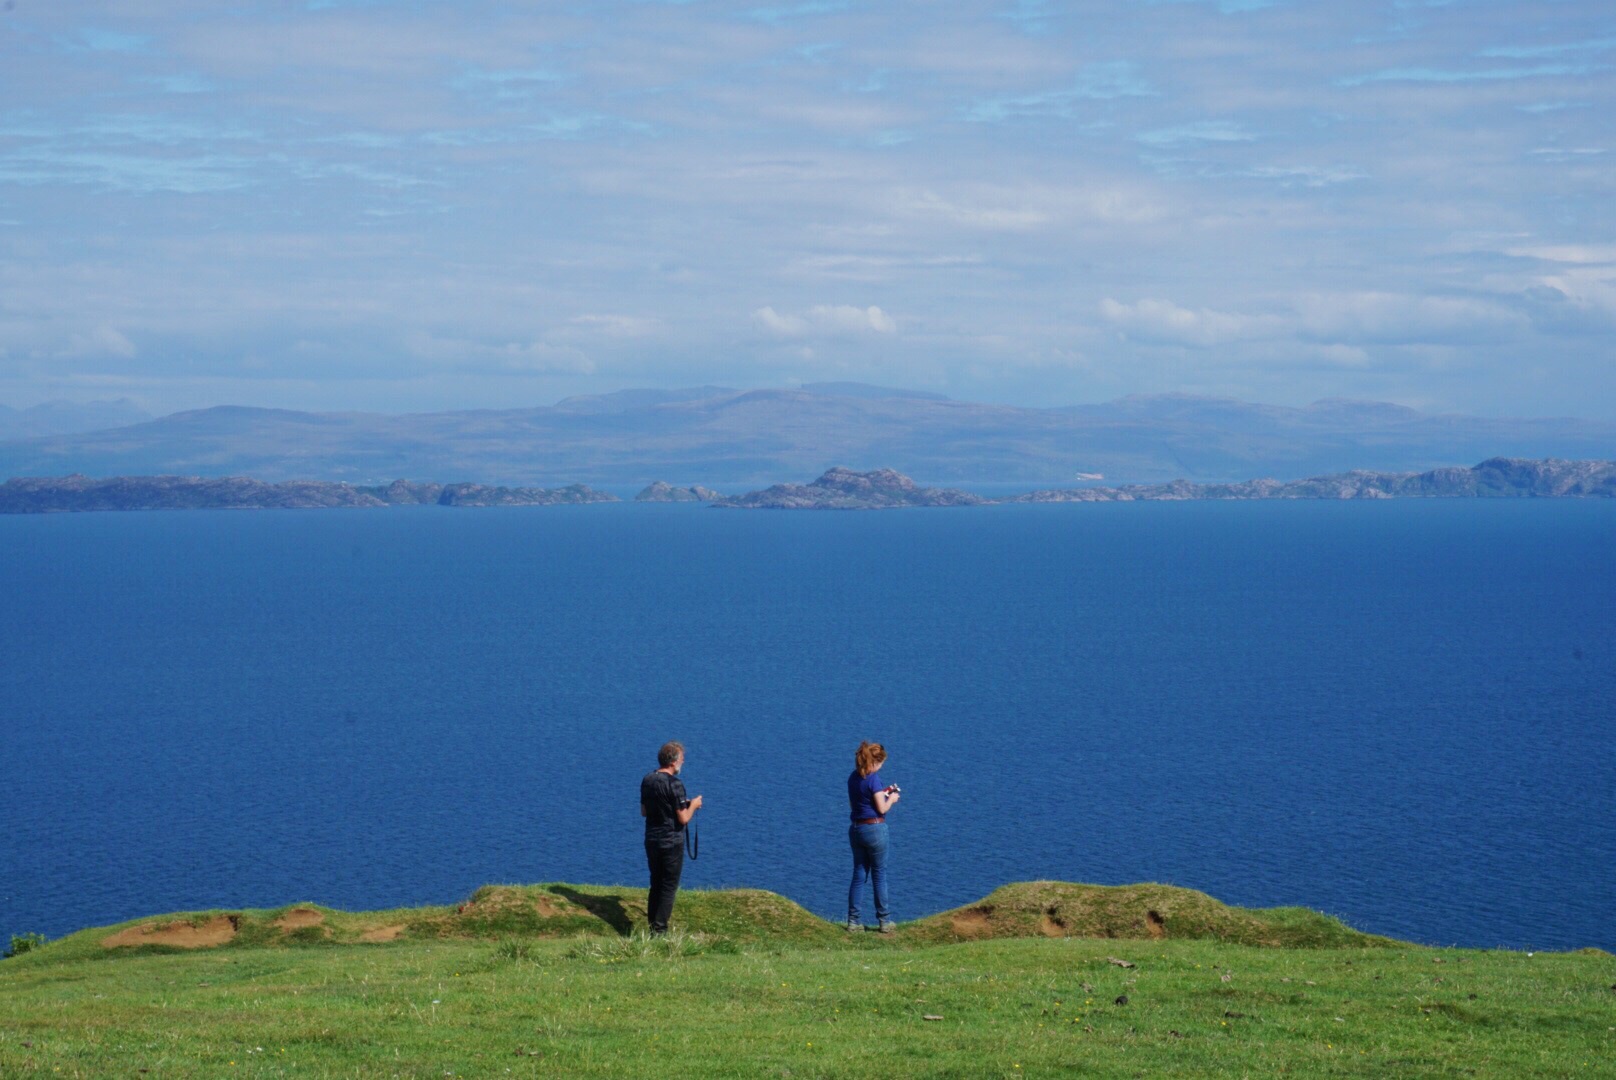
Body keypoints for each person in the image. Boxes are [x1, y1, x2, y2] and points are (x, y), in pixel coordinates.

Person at [640, 740, 702, 935]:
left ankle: (652, 928)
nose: (683, 762)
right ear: (673, 762)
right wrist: (693, 805)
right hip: (671, 842)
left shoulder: (648, 780)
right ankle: (659, 931)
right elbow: (683, 818)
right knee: (668, 886)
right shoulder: (675, 784)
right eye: (682, 759)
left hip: (652, 839)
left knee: (656, 883)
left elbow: (644, 811)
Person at [846, 740, 899, 933]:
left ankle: (853, 922)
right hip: (875, 829)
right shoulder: (874, 778)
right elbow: (882, 807)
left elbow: (856, 805)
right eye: (881, 763)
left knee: (859, 874)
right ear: (875, 762)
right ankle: (884, 922)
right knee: (879, 874)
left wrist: (880, 795)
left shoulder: (853, 778)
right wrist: (891, 798)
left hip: (856, 829)